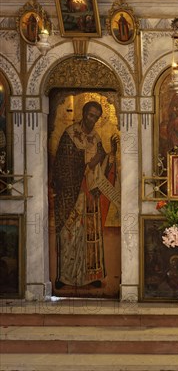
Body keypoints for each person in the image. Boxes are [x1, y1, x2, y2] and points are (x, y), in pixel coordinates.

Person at [53, 101, 120, 289]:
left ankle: (91, 277)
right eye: (90, 115)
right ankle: (65, 276)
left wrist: (111, 154)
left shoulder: (96, 138)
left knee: (90, 234)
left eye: (96, 117)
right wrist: (88, 164)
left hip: (90, 194)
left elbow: (103, 164)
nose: (93, 120)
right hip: (72, 194)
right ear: (83, 113)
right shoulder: (69, 134)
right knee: (70, 234)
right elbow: (62, 165)